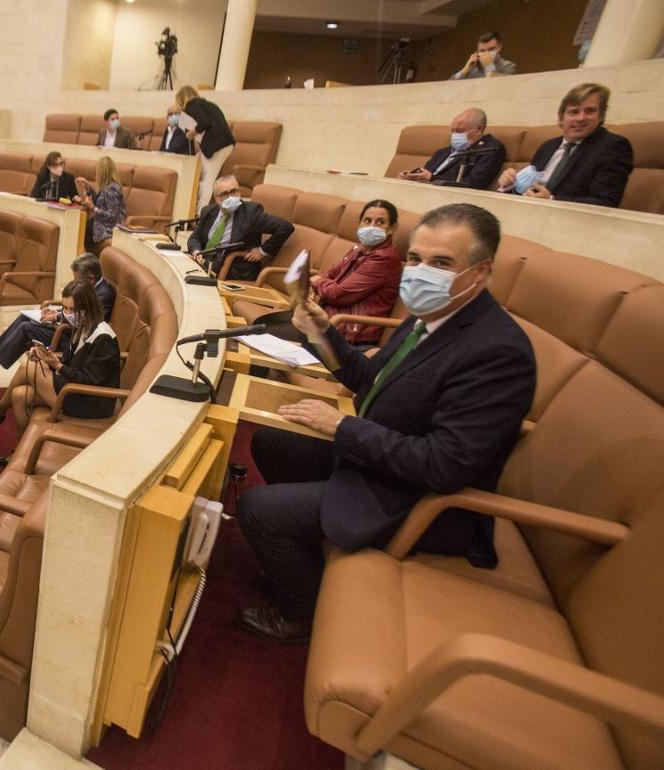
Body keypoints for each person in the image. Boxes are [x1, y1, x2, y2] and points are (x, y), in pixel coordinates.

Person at [235, 203, 535, 643]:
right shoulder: (431, 315)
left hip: (419, 499)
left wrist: (342, 428)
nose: (420, 272)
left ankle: (300, 614)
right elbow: (373, 382)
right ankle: (301, 560)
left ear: (480, 271)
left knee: (259, 509)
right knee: (273, 442)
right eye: (415, 259)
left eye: (441, 263)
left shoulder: (498, 353)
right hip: (381, 458)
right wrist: (321, 334)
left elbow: (444, 465)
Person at [0, 280, 120, 465]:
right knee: (20, 395)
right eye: (65, 308)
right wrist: (47, 357)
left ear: (88, 306)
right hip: (74, 389)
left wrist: (57, 367)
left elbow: (90, 381)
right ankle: (21, 454)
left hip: (90, 401)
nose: (68, 314)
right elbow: (71, 362)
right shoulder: (81, 328)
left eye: (72, 309)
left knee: (28, 367)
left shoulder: (103, 337)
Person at [251, 200, 403, 347]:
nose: (371, 227)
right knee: (260, 324)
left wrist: (316, 281)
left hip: (344, 331)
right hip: (324, 319)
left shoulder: (385, 258)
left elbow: (338, 294)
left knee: (263, 331)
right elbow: (328, 273)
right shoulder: (359, 249)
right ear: (360, 223)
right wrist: (320, 280)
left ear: (391, 228)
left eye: (380, 222)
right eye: (367, 220)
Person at [495, 83, 633, 208]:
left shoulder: (613, 146)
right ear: (561, 117)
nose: (581, 118)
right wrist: (510, 185)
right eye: (574, 111)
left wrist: (551, 199)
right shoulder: (548, 146)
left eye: (590, 111)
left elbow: (606, 203)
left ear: (601, 116)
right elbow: (529, 190)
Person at [0, 253, 115, 375]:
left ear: (91, 279)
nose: (75, 283)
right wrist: (56, 313)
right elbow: (76, 309)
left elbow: (87, 321)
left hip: (71, 337)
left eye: (77, 279)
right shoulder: (93, 287)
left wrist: (57, 317)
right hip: (67, 329)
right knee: (25, 317)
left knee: (26, 328)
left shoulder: (103, 295)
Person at [187, 175, 293, 282]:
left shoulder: (251, 213)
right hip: (204, 264)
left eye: (233, 192)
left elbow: (284, 227)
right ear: (217, 198)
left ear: (239, 193)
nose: (230, 197)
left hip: (232, 270)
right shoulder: (208, 211)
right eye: (224, 194)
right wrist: (196, 251)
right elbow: (195, 237)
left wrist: (263, 250)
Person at [396, 108, 505, 190]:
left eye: (459, 131)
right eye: (452, 131)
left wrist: (432, 178)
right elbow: (426, 173)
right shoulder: (442, 152)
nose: (454, 135)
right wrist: (413, 176)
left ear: (479, 129)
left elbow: (475, 183)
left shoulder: (490, 148)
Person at [176, 85, 236, 208]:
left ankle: (199, 214)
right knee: (195, 165)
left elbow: (204, 123)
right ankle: (192, 206)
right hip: (223, 144)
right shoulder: (207, 105)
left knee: (208, 179)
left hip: (218, 146)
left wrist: (193, 132)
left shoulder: (191, 106)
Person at [76, 157, 126, 255]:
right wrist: (87, 186)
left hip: (108, 229)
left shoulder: (112, 189)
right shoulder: (108, 186)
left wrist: (93, 208)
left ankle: (85, 262)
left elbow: (112, 216)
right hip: (101, 224)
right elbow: (100, 199)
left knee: (79, 231)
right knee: (78, 227)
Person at [451, 31, 517, 80]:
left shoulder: (508, 67)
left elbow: (497, 88)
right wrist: (464, 70)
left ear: (499, 47)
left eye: (491, 49)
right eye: (482, 51)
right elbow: (448, 86)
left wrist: (489, 66)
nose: (486, 53)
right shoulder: (472, 68)